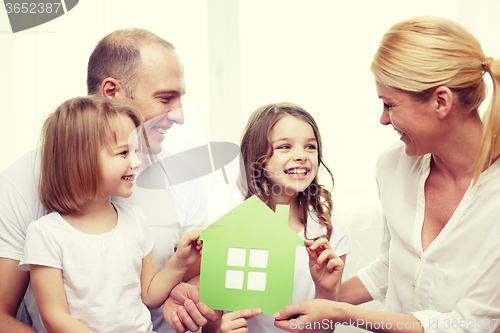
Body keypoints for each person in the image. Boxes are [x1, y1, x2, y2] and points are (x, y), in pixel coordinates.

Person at [273, 16, 500, 333]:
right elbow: (393, 265)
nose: (383, 119)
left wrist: (340, 312)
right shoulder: (393, 167)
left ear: (441, 101)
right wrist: (316, 298)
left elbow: (473, 323)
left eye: (389, 104)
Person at [0, 29, 218, 333]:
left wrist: (183, 290)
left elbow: (167, 284)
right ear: (112, 92)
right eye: (165, 98)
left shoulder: (176, 181)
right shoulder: (21, 187)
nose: (180, 117)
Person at [18, 96, 202, 333]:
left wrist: (180, 262)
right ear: (81, 160)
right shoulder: (46, 234)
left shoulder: (135, 220)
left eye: (135, 151)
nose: (136, 162)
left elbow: (149, 294)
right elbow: (54, 317)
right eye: (124, 153)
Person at [205, 102, 351, 333]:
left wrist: (326, 291)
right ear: (258, 159)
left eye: (310, 147)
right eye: (285, 146)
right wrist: (218, 330)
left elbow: (324, 330)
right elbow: (212, 323)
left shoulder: (330, 235)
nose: (301, 156)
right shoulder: (229, 230)